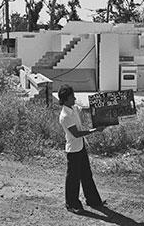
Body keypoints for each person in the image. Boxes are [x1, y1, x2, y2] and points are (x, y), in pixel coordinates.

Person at [58, 84, 106, 214]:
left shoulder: (73, 108)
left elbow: (85, 109)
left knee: (86, 174)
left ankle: (93, 200)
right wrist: (95, 130)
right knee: (73, 178)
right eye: (72, 96)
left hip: (80, 147)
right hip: (73, 150)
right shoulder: (65, 116)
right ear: (66, 99)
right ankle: (71, 204)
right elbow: (76, 134)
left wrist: (100, 106)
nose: (74, 98)